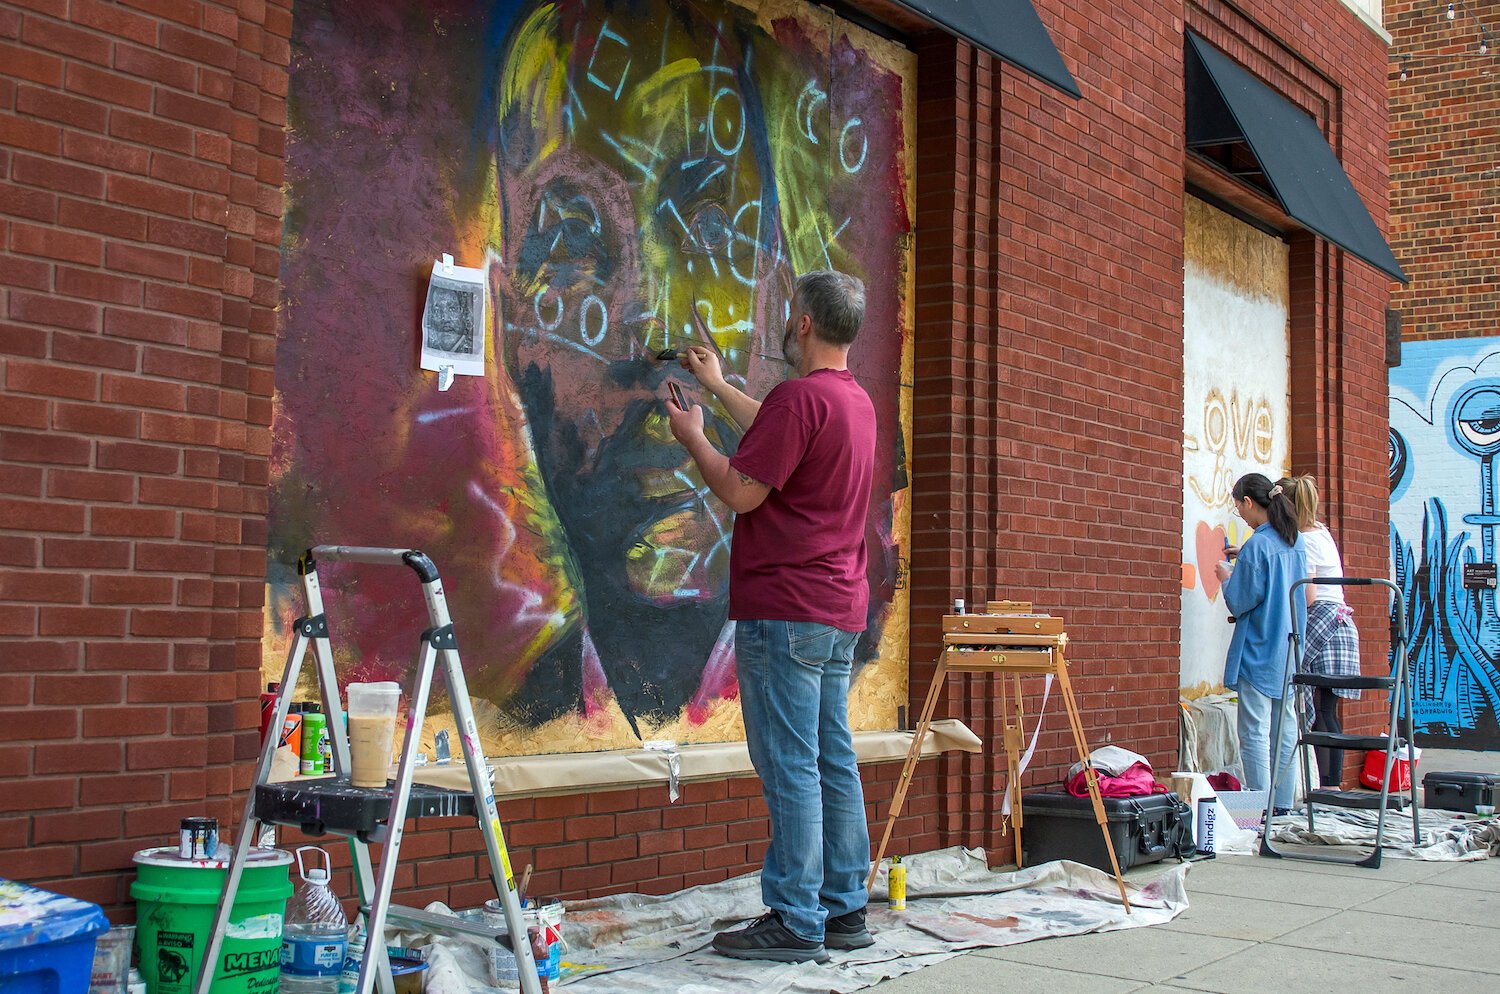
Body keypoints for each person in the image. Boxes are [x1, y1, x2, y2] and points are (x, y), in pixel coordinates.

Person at [667, 270, 876, 964]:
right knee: (831, 759)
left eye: (791, 316)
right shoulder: (853, 403)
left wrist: (694, 434)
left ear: (807, 324)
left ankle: (794, 916)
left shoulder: (799, 399)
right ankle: (845, 910)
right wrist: (721, 385)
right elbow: (783, 431)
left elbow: (741, 490)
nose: (787, 325)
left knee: (790, 763)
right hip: (837, 610)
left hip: (786, 610)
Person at [1215, 473, 1306, 816]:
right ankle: (1282, 804)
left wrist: (1227, 577)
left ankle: (1254, 811)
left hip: (1258, 646)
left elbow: (1240, 600)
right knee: (1284, 729)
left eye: (1239, 508)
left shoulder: (1258, 545)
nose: (1240, 514)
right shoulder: (1295, 542)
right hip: (1289, 646)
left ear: (1249, 503)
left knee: (1253, 730)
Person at [1278, 475, 1361, 787]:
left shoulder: (1307, 541)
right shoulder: (1321, 532)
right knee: (1328, 708)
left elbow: (1308, 596)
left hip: (1323, 620)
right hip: (1339, 621)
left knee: (1316, 706)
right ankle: (1331, 783)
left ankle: (1327, 784)